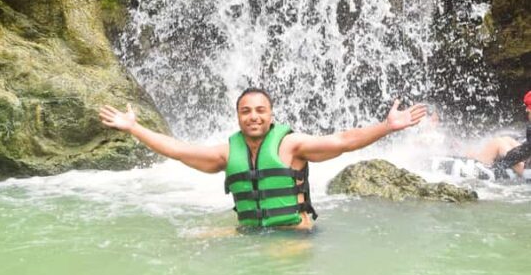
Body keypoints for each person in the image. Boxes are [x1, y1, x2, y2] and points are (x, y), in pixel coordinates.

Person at [99, 88, 427, 230]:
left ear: (271, 116)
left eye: (260, 111)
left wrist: (387, 126)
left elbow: (342, 141)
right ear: (238, 117)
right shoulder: (227, 153)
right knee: (190, 241)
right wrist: (133, 128)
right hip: (251, 232)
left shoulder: (291, 145)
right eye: (246, 111)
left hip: (294, 235)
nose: (253, 117)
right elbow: (178, 150)